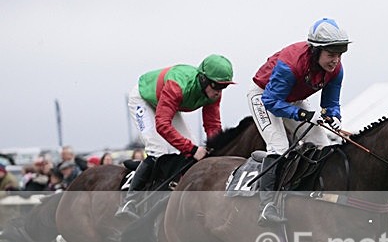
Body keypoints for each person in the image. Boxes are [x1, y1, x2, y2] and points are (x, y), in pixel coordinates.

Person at [248, 18, 349, 225]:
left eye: (339, 54)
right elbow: (271, 102)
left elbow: (330, 103)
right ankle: (266, 206)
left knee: (323, 144)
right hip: (264, 96)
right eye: (331, 54)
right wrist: (304, 115)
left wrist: (334, 117)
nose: (336, 60)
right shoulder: (291, 64)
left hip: (292, 99)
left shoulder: (336, 70)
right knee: (279, 146)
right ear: (315, 51)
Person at [115, 54, 235, 220]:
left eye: (224, 87)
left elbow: (212, 124)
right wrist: (192, 149)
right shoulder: (178, 86)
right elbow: (162, 125)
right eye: (216, 85)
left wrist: (215, 149)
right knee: (158, 149)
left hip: (165, 102)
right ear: (203, 79)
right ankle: (129, 201)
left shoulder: (214, 94)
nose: (218, 92)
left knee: (193, 148)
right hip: (143, 99)